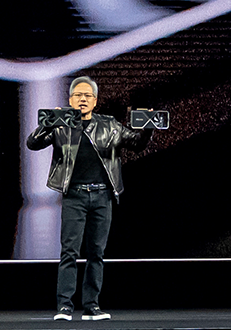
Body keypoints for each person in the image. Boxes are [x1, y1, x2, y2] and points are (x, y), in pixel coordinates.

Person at [26, 76, 151, 321]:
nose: (82, 100)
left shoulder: (109, 125)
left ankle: (92, 306)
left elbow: (136, 143)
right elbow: (33, 144)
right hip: (74, 196)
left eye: (87, 96)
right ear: (70, 100)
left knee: (96, 252)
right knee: (69, 252)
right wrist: (48, 123)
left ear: (94, 101)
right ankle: (64, 306)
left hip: (102, 196)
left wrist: (148, 125)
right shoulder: (62, 125)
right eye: (78, 96)